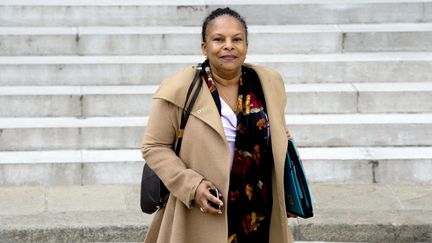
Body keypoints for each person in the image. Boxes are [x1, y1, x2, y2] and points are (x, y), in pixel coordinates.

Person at [141, 7, 296, 243]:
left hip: (259, 208)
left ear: (246, 45)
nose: (228, 46)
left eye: (237, 39)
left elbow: (280, 133)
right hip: (203, 210)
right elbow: (154, 146)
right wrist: (192, 186)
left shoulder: (268, 83)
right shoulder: (179, 89)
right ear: (204, 47)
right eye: (218, 39)